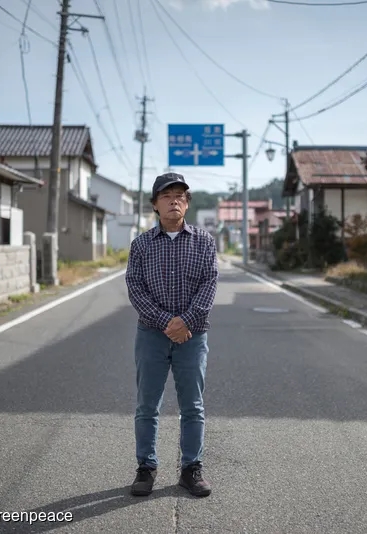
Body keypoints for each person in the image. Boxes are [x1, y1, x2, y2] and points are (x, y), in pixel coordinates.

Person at [125, 172, 219, 498]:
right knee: (147, 405)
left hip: (194, 335)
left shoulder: (205, 241)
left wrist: (186, 322)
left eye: (180, 195)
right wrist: (167, 322)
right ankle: (145, 468)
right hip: (151, 334)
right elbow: (135, 289)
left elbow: (209, 286)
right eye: (167, 196)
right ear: (155, 205)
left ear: (188, 204)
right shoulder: (140, 245)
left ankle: (191, 469)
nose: (174, 201)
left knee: (193, 405)